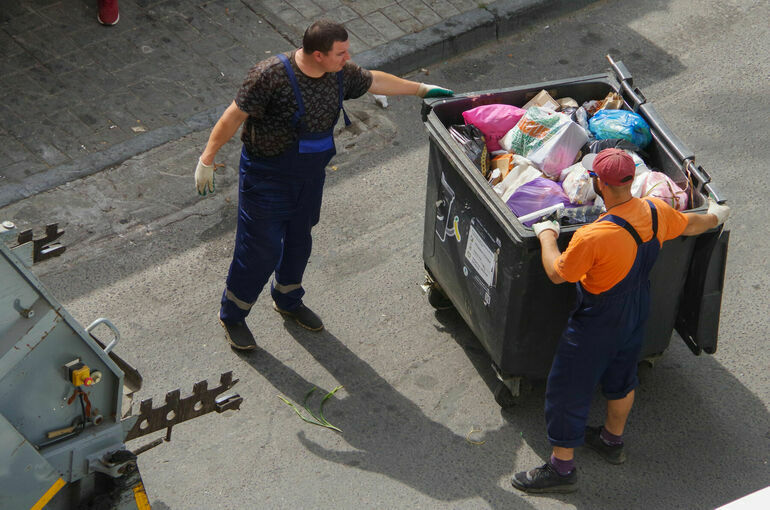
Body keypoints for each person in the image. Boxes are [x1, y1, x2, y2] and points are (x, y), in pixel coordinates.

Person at [194, 19, 453, 350]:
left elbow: (374, 81)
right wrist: (207, 158)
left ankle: (287, 299)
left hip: (309, 175)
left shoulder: (338, 73)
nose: (348, 58)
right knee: (261, 249)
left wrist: (419, 88)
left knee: (299, 241)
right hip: (266, 177)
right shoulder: (269, 75)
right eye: (341, 53)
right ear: (318, 54)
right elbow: (234, 115)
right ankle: (233, 315)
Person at [511, 148, 730, 493]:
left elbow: (557, 274)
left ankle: (561, 469)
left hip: (597, 319)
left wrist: (546, 235)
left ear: (599, 184)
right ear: (630, 180)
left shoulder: (593, 236)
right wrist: (717, 215)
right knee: (622, 375)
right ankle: (612, 441)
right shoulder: (657, 211)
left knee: (568, 387)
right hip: (637, 307)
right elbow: (693, 223)